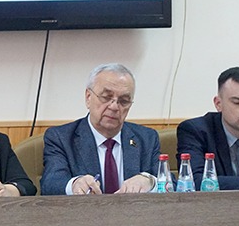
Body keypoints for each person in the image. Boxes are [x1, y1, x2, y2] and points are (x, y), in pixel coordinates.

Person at [41, 63, 160, 195]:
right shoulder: (61, 138)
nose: (114, 107)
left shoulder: (147, 138)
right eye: (106, 97)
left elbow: (170, 183)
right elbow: (51, 183)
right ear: (88, 97)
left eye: (124, 101)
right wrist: (75, 184)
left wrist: (150, 181)